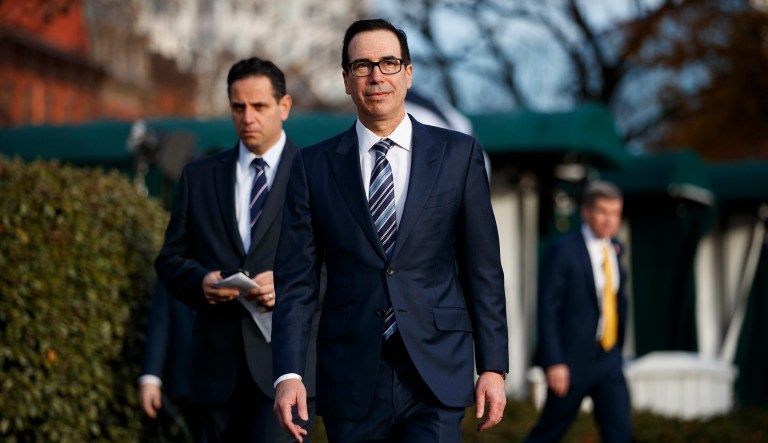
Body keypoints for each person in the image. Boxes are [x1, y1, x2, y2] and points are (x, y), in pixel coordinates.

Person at [272, 18, 508, 443]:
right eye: (361, 65)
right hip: (350, 373)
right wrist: (289, 373)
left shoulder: (458, 154)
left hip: (436, 370)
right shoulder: (312, 167)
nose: (376, 75)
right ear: (346, 80)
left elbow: (482, 268)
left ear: (409, 73)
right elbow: (297, 283)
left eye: (389, 62)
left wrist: (492, 366)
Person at [155, 57, 317, 442]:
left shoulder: (316, 171)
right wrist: (202, 282)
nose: (247, 117)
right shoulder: (198, 176)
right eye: (238, 107)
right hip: (214, 372)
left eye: (259, 106)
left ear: (285, 107)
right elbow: (169, 259)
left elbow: (343, 262)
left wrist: (290, 284)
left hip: (286, 370)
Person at [526, 180, 632, 442]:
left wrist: (617, 350)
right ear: (586, 212)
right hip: (571, 362)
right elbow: (548, 308)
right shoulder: (563, 250)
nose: (610, 220)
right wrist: (554, 361)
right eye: (603, 212)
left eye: (615, 213)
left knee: (620, 433)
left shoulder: (616, 249)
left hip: (608, 358)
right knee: (548, 432)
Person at [138, 281, 205, 442]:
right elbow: (160, 321)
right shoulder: (176, 260)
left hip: (240, 375)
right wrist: (150, 377)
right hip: (189, 379)